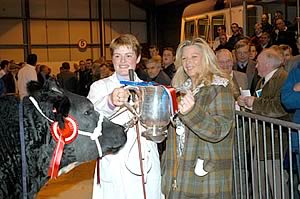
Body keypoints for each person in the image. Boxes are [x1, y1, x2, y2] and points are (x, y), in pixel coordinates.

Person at [87, 34, 161, 199]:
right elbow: (91, 118)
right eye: (117, 56)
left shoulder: (150, 88)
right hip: (115, 163)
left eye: (128, 56)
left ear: (138, 58)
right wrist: (110, 101)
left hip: (147, 161)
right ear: (111, 59)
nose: (122, 61)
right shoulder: (99, 87)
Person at [161, 37, 235, 198]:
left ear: (206, 59)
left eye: (194, 57)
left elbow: (219, 130)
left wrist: (191, 112)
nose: (188, 62)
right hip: (178, 170)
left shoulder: (219, 89)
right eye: (184, 58)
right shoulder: (180, 90)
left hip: (205, 175)